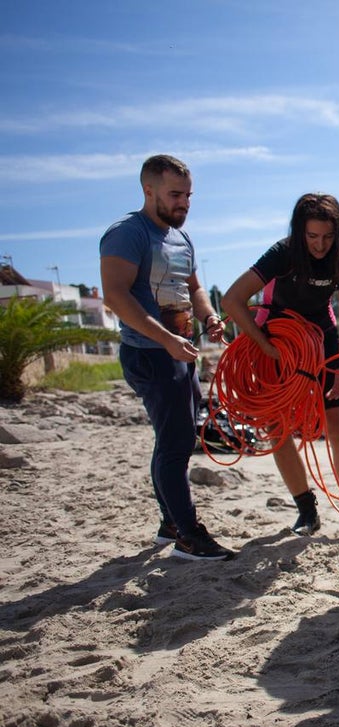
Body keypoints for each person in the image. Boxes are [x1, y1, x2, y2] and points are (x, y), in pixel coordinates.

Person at [100, 154, 234, 561]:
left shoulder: (181, 238)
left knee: (174, 439)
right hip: (149, 354)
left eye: (188, 195)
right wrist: (166, 340)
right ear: (149, 190)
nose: (184, 203)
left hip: (180, 352)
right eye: (175, 194)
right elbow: (115, 296)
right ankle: (187, 535)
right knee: (176, 443)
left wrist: (209, 317)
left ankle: (170, 524)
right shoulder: (127, 233)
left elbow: (193, 287)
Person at [221, 193, 339, 537]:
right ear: (300, 232)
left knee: (338, 428)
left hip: (322, 339)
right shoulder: (281, 254)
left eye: (328, 237)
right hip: (279, 340)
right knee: (276, 428)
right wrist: (266, 347)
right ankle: (305, 511)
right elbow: (232, 300)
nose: (320, 245)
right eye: (312, 237)